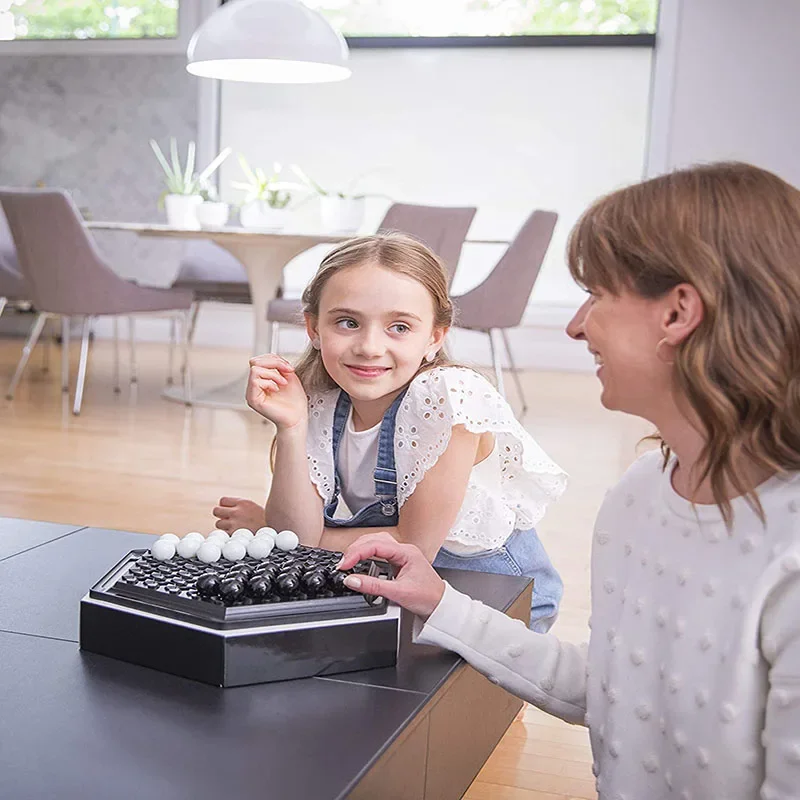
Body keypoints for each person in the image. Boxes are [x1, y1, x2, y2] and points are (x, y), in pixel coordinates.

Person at [337, 163, 800, 800]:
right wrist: (438, 600)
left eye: (596, 295)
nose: (575, 325)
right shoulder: (641, 493)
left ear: (678, 313)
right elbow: (612, 688)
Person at [216, 233, 567, 630]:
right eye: (347, 323)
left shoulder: (447, 396)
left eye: (399, 327)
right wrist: (292, 426)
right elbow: (297, 535)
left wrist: (269, 528)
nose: (369, 346)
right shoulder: (317, 400)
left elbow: (413, 545)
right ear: (314, 328)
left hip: (495, 598)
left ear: (434, 338)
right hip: (404, 588)